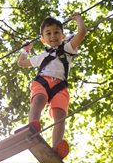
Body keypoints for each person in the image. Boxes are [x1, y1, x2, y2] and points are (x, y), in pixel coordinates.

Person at [17, 13, 86, 160]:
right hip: (42, 81)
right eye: (48, 33)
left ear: (63, 35)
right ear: (43, 39)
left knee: (60, 116)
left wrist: (79, 20)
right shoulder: (41, 56)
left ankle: (56, 148)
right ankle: (33, 126)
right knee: (39, 99)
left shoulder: (68, 48)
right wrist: (26, 50)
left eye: (56, 32)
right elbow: (22, 63)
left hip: (60, 86)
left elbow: (81, 33)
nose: (53, 36)